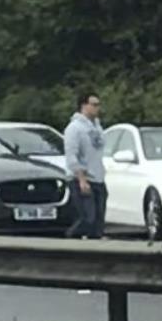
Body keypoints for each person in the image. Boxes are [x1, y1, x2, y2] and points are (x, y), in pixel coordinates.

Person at [63, 91, 107, 239]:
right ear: (83, 106)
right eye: (94, 105)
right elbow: (71, 156)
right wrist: (81, 179)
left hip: (98, 179)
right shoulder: (74, 128)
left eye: (98, 105)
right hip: (81, 180)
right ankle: (68, 241)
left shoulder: (97, 127)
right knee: (87, 218)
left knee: (98, 222)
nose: (97, 108)